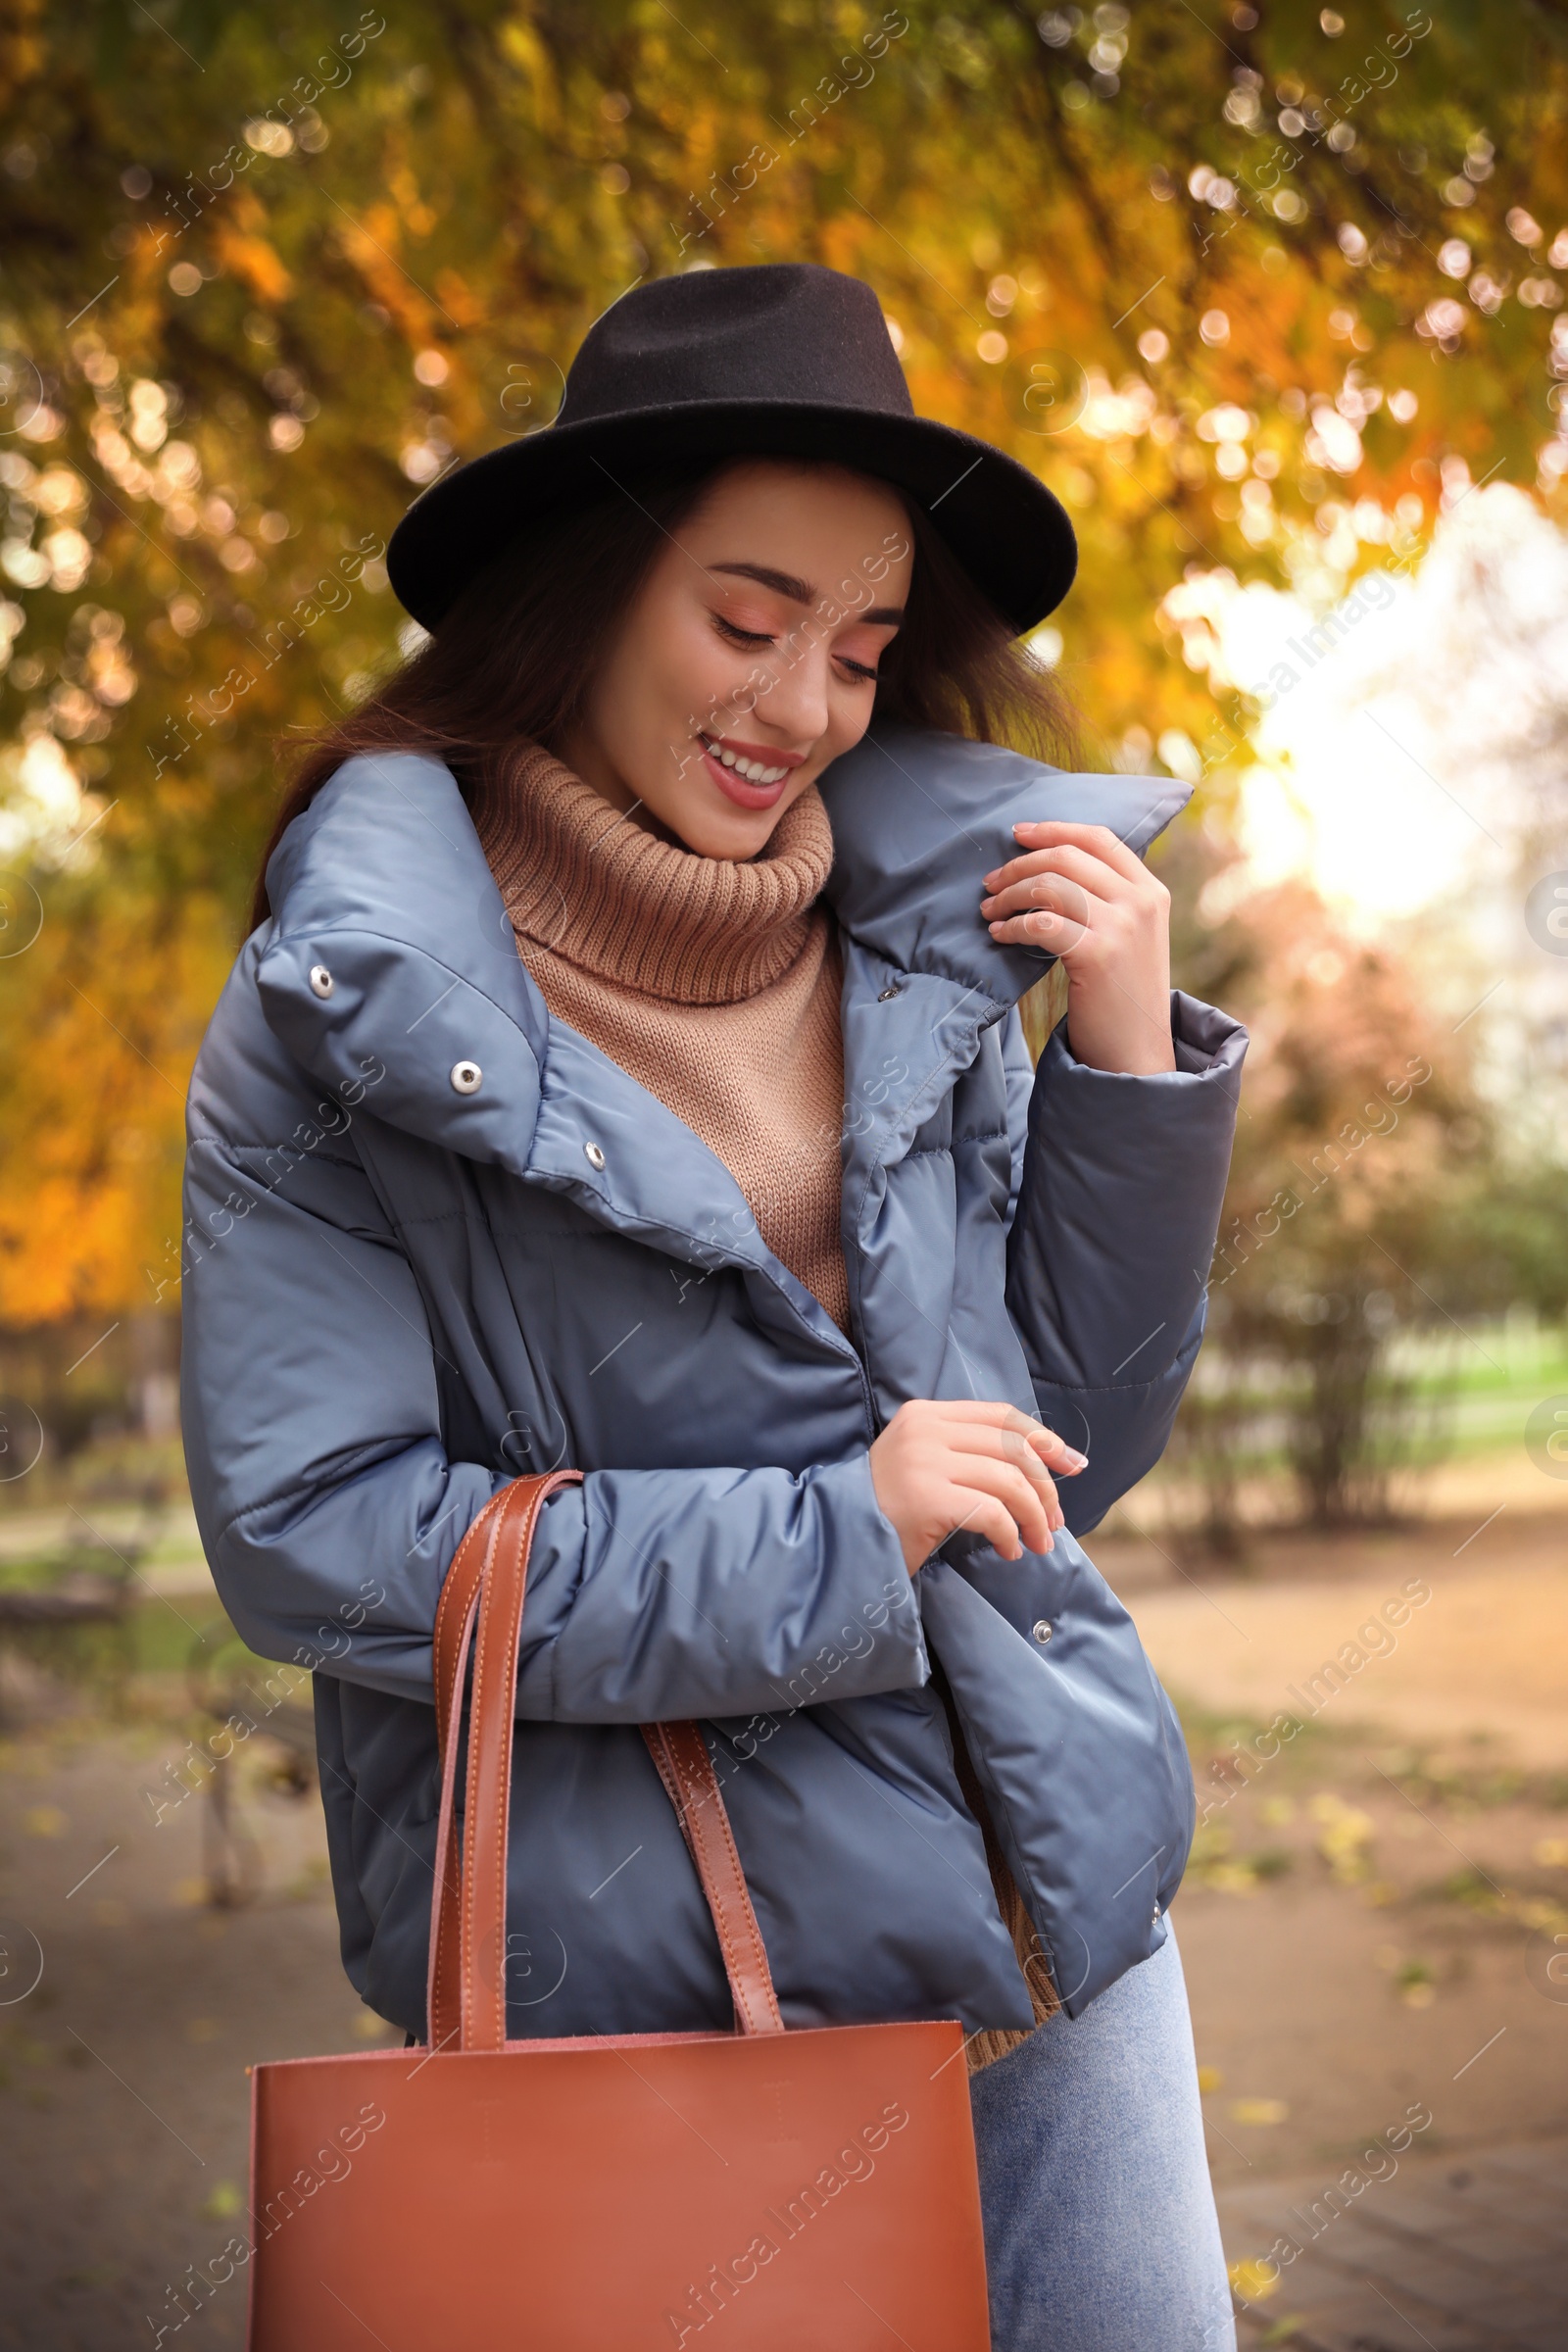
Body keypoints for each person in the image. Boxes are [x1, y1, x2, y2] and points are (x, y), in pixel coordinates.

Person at [181, 262, 1246, 2348]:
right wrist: (838, 1531)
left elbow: (1058, 1464)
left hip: (1049, 1902)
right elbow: (312, 1538)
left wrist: (1123, 1071)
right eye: (742, 624)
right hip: (647, 1980)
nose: (801, 710)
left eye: (855, 652)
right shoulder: (335, 1019)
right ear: (580, 594)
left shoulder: (926, 966)